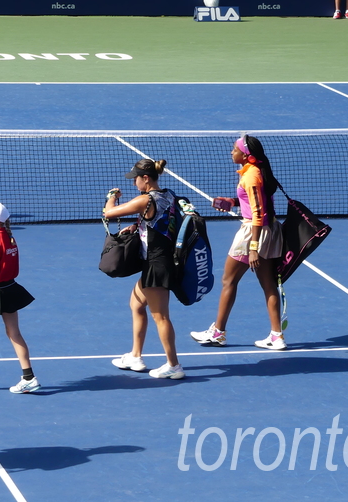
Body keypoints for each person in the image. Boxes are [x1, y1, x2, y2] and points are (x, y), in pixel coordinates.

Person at [191, 136, 285, 350]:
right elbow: (256, 203)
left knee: (228, 281)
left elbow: (258, 213)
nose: (231, 152)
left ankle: (218, 333)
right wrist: (232, 202)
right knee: (268, 284)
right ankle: (277, 336)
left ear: (245, 155)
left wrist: (253, 248)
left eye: (234, 149)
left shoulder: (251, 175)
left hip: (253, 232)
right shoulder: (256, 171)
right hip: (269, 231)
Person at [103, 159, 185, 380]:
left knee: (161, 317)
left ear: (146, 178)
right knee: (136, 304)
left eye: (136, 179)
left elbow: (108, 213)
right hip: (161, 260)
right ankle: (135, 356)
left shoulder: (145, 200)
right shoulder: (168, 194)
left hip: (157, 265)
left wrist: (112, 196)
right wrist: (138, 227)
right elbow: (160, 223)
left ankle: (174, 365)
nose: (134, 183)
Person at [0, 203, 40, 394]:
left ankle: (29, 378)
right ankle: (29, 378)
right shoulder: (10, 237)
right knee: (14, 333)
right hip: (10, 288)